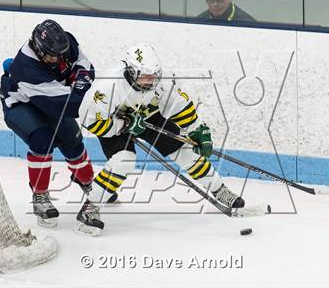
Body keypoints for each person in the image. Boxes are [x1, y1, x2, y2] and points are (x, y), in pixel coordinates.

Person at [77, 42, 246, 236]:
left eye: (153, 75)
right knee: (124, 161)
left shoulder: (164, 82)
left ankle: (219, 190)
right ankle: (89, 209)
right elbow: (90, 121)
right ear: (131, 71)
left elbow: (180, 107)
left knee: (185, 151)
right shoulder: (107, 87)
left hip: (148, 116)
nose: (151, 80)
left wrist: (198, 131)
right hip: (114, 124)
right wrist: (122, 125)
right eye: (144, 76)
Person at [0, 19, 105, 228]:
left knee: (73, 141)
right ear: (38, 49)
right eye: (52, 56)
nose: (57, 59)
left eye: (60, 54)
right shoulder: (26, 67)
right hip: (21, 104)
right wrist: (93, 103)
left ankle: (86, 180)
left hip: (55, 100)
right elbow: (61, 103)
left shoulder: (64, 43)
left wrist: (81, 78)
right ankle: (40, 196)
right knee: (43, 140)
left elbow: (84, 65)